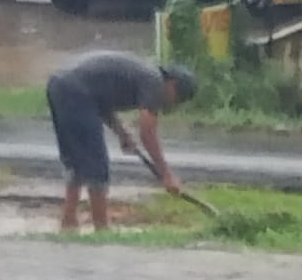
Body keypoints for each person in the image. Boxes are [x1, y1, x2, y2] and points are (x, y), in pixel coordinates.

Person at [45, 52, 197, 233]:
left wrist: (122, 134)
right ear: (172, 84)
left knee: (76, 159)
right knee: (96, 164)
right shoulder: (155, 83)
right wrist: (166, 174)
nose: (173, 104)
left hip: (59, 84)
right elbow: (147, 134)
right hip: (76, 90)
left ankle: (68, 223)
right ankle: (102, 228)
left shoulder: (144, 76)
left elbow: (101, 102)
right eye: (178, 98)